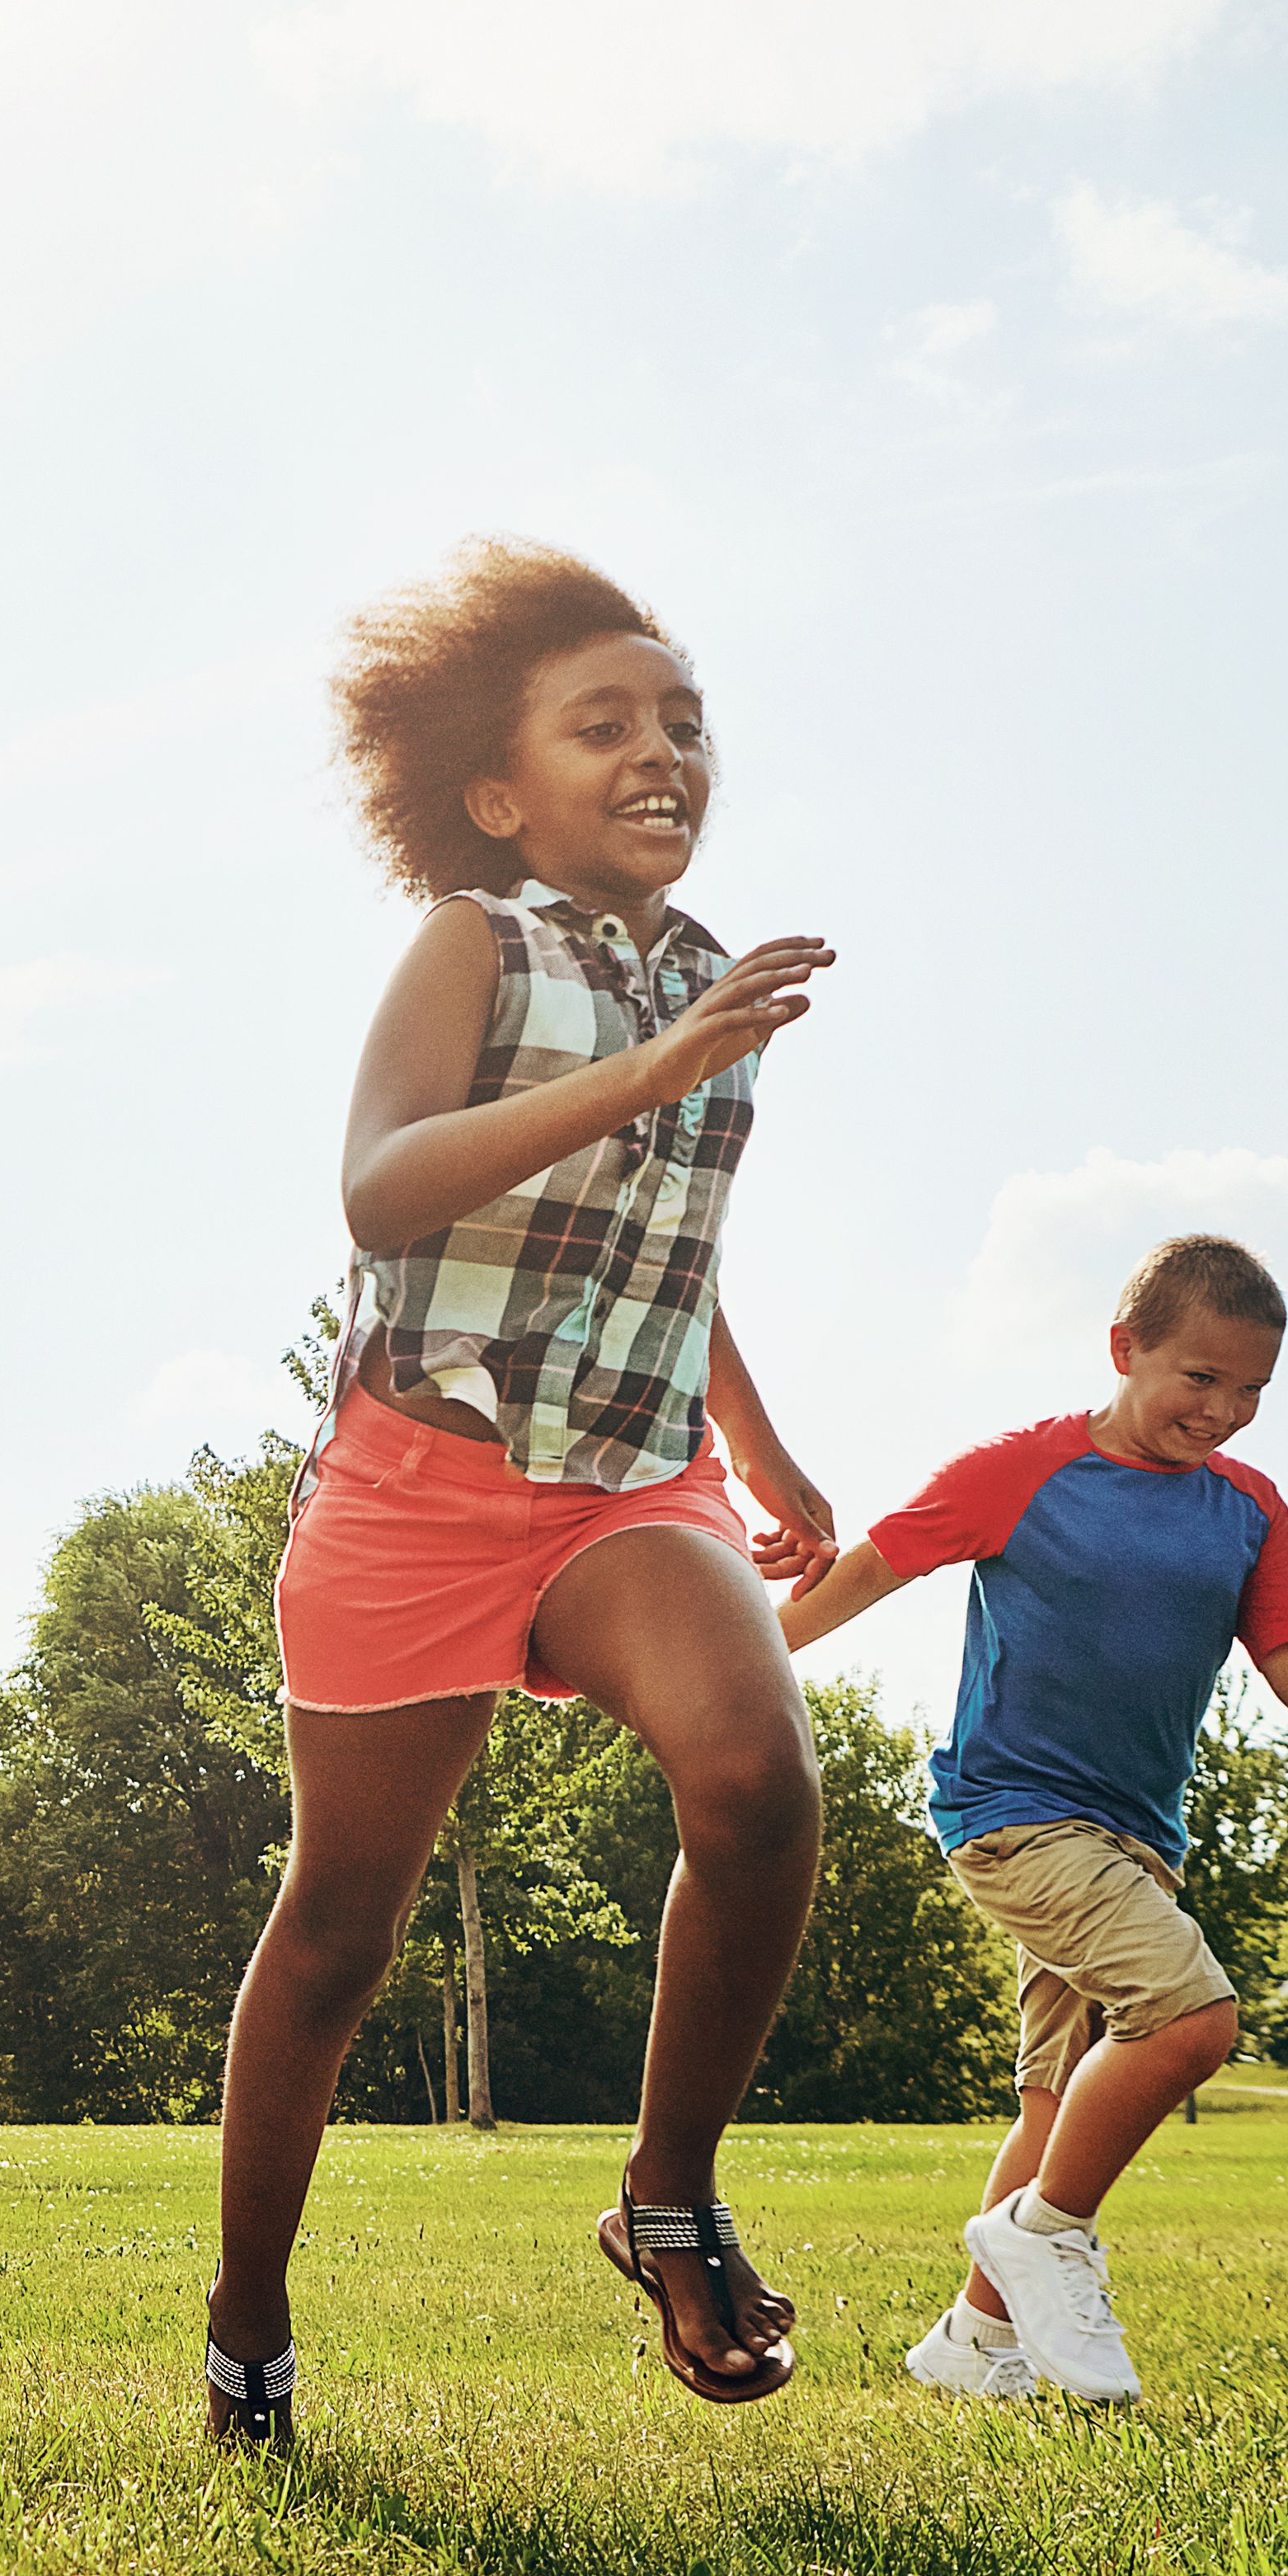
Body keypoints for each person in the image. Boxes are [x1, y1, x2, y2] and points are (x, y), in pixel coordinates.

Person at [206, 542, 845, 2449]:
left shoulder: (713, 981)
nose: (663, 750)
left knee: (756, 1779)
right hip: (419, 1486)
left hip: (631, 1486)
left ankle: (668, 2198)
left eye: (684, 721)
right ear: (500, 793)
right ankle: (248, 2314)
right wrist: (649, 1066)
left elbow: (658, 1244)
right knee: (339, 1927)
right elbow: (384, 1189)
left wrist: (776, 1449)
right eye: (606, 725)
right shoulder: (478, 942)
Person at [779, 1235, 1288, 2404]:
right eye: (1200, 1378)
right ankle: (1044, 2238)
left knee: (1059, 2095)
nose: (1226, 1411)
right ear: (1126, 1350)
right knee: (1190, 2019)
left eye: (1252, 1391)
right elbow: (868, 1573)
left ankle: (973, 2349)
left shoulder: (1247, 1510)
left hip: (1138, 1840)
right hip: (1014, 1817)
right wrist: (709, 1663)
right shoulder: (1020, 1471)